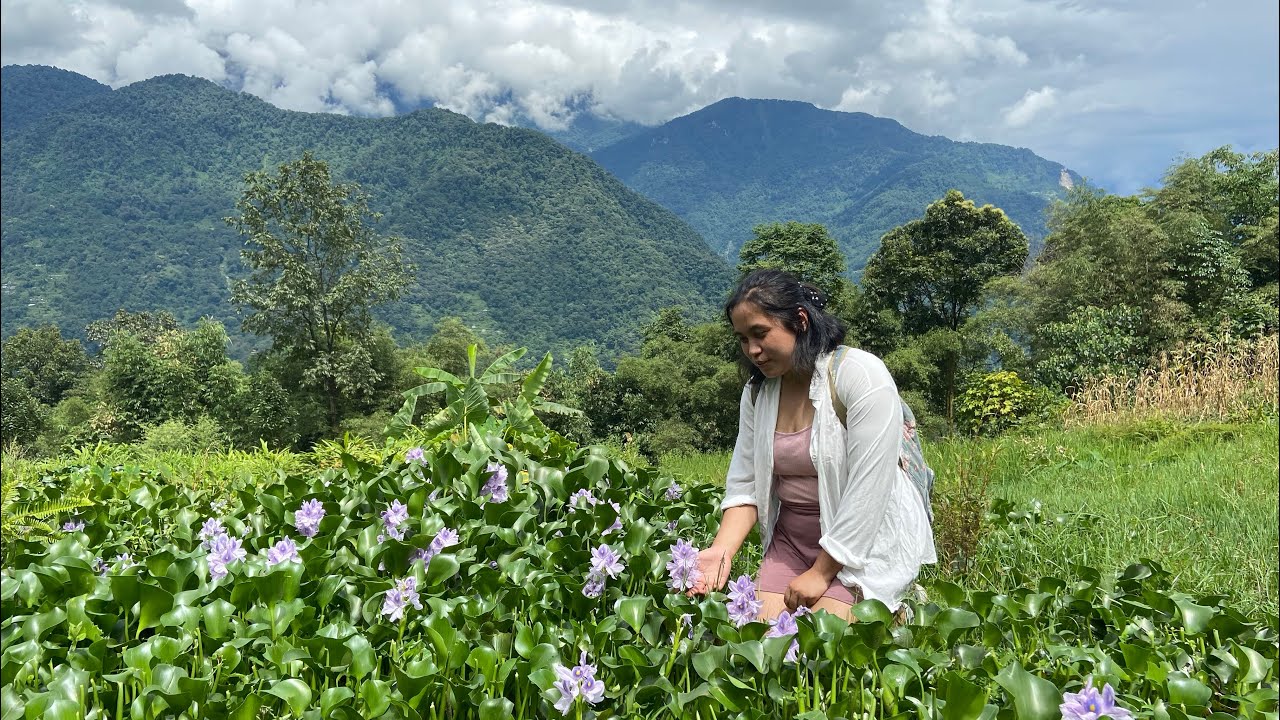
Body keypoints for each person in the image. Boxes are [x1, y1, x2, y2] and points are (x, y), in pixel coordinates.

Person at [690, 269, 936, 621]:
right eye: (743, 339)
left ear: (800, 320)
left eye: (760, 334)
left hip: (861, 542)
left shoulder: (860, 375)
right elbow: (745, 483)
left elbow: (869, 491)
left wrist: (821, 573)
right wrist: (720, 553)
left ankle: (898, 607)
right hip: (791, 539)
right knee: (763, 645)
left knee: (820, 651)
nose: (753, 351)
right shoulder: (758, 392)